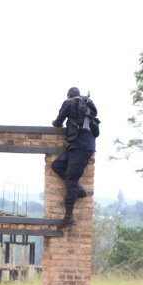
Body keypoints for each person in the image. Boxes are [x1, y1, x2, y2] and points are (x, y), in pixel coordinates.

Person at [51, 87, 98, 228]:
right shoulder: (88, 103)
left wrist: (55, 123)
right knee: (57, 165)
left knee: (71, 180)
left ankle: (68, 217)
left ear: (69, 95)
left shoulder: (69, 102)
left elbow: (58, 122)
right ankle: (78, 189)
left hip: (80, 147)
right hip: (80, 145)